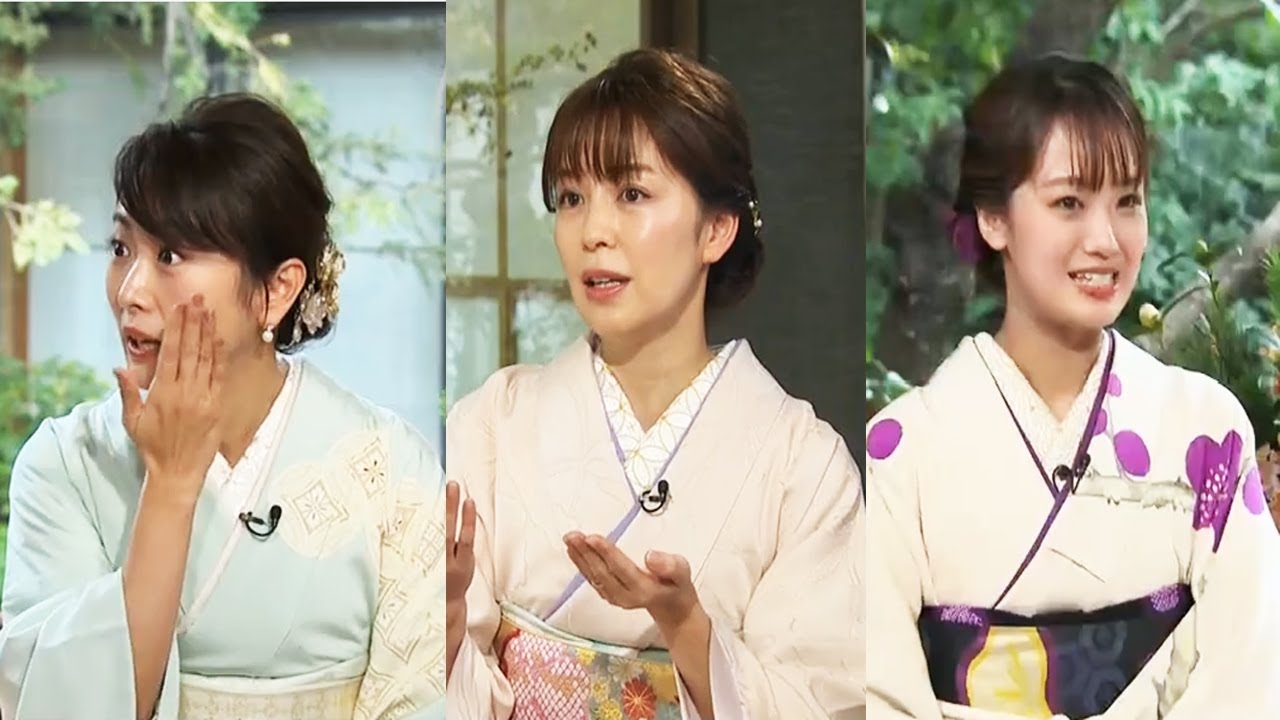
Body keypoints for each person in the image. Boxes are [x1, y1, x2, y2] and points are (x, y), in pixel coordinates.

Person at [443, 48, 865, 719]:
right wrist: (441, 617)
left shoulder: (802, 465)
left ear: (716, 229)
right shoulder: (493, 423)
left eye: (632, 194)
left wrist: (688, 628)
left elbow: (822, 698)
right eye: (572, 199)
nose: (593, 232)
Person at [0, 94, 446, 720]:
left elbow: (422, 695)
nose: (130, 292)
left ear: (276, 290)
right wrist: (171, 486)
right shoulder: (65, 465)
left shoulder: (391, 469)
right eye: (121, 248)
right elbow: (60, 702)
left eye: (170, 256)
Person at [865, 53, 1280, 719]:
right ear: (994, 218)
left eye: (1128, 202)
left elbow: (1251, 669)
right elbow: (874, 690)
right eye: (1069, 203)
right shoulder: (900, 452)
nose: (1106, 240)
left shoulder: (1205, 428)